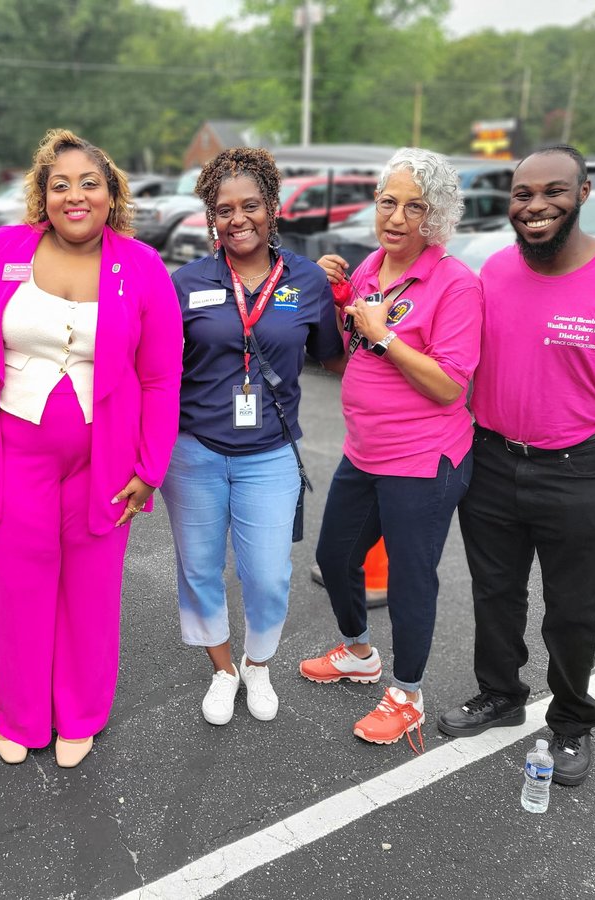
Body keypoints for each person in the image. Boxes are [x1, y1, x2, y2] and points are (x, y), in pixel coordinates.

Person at [437, 145, 595, 785]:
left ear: (584, 193)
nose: (535, 206)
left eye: (553, 192)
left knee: (572, 608)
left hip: (578, 469)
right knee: (495, 594)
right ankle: (501, 695)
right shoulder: (493, 273)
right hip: (489, 460)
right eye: (522, 194)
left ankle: (570, 721)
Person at [0, 128, 183, 767]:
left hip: (104, 457)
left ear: (111, 194)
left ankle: (79, 713)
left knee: (91, 588)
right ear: (41, 194)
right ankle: (19, 714)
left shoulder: (140, 265)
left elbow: (162, 378)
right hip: (13, 448)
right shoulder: (3, 251)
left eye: (89, 183)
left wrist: (148, 468)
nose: (74, 196)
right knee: (19, 585)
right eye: (60, 185)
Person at [299, 148, 481, 751]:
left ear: (437, 218)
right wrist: (337, 293)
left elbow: (450, 384)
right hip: (365, 451)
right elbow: (353, 342)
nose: (397, 217)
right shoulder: (373, 268)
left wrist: (384, 336)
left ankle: (408, 693)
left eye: (415, 207)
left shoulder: (456, 285)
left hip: (424, 461)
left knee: (409, 579)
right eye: (388, 202)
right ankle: (359, 652)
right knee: (335, 554)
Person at [163, 147, 344, 727]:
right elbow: (158, 369)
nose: (237, 218)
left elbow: (330, 357)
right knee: (199, 569)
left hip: (270, 454)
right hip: (193, 452)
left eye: (250, 206)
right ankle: (222, 670)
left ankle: (258, 663)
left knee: (267, 573)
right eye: (223, 210)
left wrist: (349, 304)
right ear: (210, 218)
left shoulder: (308, 280)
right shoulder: (186, 281)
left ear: (272, 209)